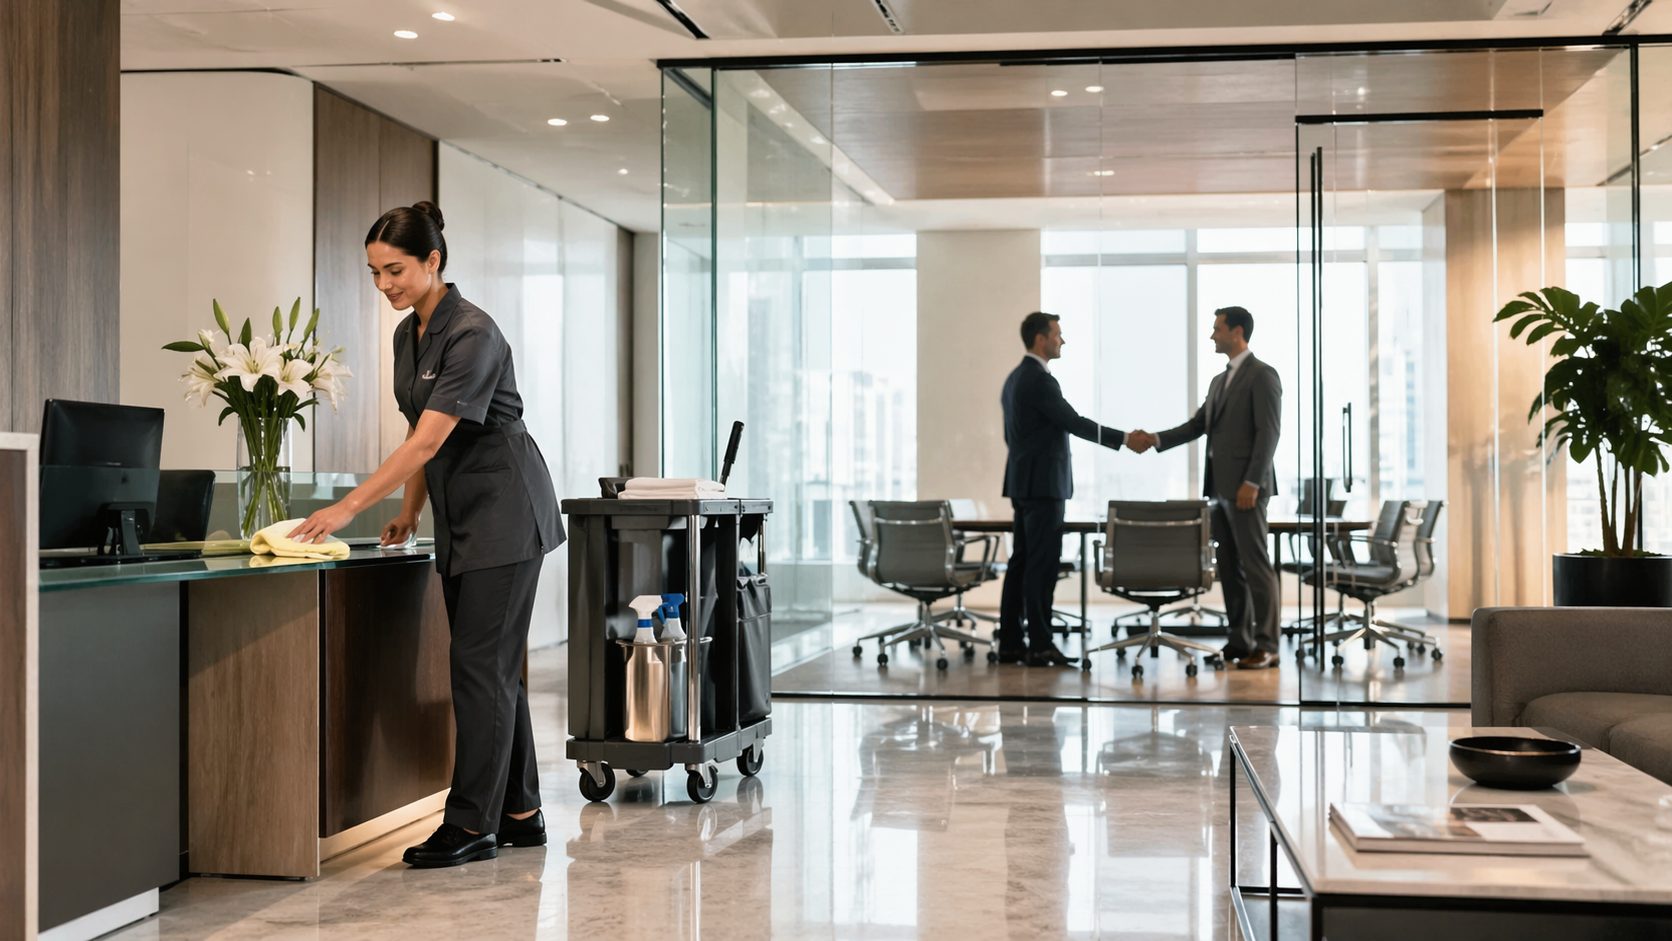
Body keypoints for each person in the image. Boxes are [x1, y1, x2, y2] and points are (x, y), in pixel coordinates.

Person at [288, 201, 564, 867]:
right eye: (375, 272)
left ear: (433, 261)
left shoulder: (474, 333)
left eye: (396, 270)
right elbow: (422, 432)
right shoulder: (406, 335)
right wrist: (410, 511)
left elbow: (430, 439)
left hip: (504, 513)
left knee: (478, 669)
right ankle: (520, 811)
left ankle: (471, 823)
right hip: (462, 516)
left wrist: (345, 506)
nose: (384, 284)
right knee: (492, 670)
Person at [1127, 306, 1282, 669]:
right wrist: (1155, 438)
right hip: (1221, 490)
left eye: (1217, 329)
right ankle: (1240, 639)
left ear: (1238, 331)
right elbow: (1197, 425)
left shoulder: (1263, 375)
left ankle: (1268, 645)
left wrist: (1252, 482)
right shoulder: (1219, 381)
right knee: (1230, 568)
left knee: (1256, 565)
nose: (1212, 335)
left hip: (1246, 490)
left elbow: (1268, 433)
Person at [999, 311, 1129, 667]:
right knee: (1040, 566)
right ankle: (1040, 645)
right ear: (1041, 338)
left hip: (1023, 483)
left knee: (1022, 563)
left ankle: (1010, 643)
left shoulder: (1014, 379)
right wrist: (1124, 439)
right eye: (1058, 334)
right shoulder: (1040, 381)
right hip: (1043, 487)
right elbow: (1073, 422)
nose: (1062, 340)